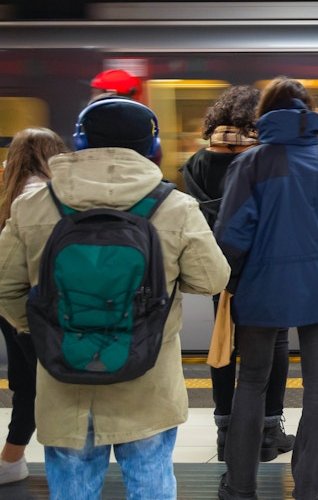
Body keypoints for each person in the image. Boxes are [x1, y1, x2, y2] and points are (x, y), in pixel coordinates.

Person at [0, 98, 230, 499]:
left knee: (72, 488)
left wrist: (48, 327)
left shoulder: (33, 205)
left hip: (63, 374)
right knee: (150, 482)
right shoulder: (174, 206)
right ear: (152, 147)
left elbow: (5, 286)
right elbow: (212, 279)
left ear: (79, 140)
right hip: (147, 378)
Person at [214, 77, 318, 500]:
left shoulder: (249, 165)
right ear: (308, 113)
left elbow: (231, 235)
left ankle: (240, 488)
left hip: (259, 291)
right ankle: (308, 489)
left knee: (251, 383)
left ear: (265, 115)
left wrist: (237, 279)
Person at [179, 85, 294, 463]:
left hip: (220, 268)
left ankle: (225, 433)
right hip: (266, 266)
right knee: (275, 343)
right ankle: (266, 431)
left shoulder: (197, 162)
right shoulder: (264, 158)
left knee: (224, 344)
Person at [0, 128, 66, 485]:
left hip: (14, 307)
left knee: (25, 383)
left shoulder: (13, 196)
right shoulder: (54, 196)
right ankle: (16, 460)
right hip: (47, 307)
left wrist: (20, 321)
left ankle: (12, 459)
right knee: (51, 385)